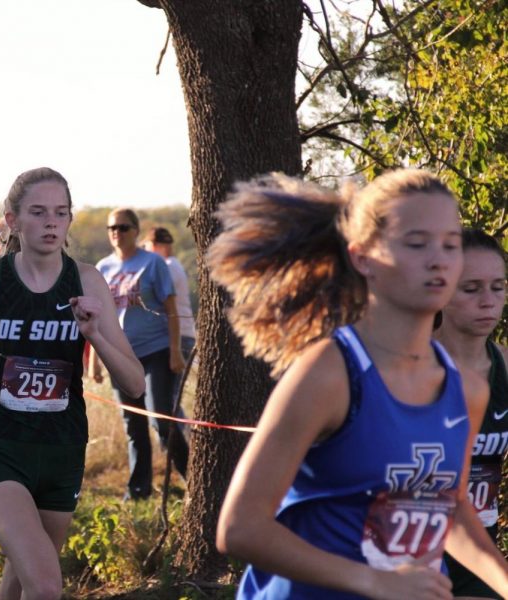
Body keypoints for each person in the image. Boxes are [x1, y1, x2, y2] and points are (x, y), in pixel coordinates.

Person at [210, 170, 508, 598]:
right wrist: (376, 582)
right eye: (416, 243)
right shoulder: (328, 373)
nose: (439, 259)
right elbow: (240, 529)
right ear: (363, 257)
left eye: (450, 244)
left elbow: (452, 508)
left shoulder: (468, 392)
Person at [0, 167, 145, 599]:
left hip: (62, 451)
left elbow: (133, 383)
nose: (51, 222)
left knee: (21, 580)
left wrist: (94, 334)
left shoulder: (88, 280)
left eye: (61, 213)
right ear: (12, 220)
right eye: (38, 212)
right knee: (44, 583)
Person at [93, 208, 188, 500]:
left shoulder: (153, 263)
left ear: (135, 230)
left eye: (123, 227)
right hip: (121, 356)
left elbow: (171, 309)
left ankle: (195, 482)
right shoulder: (103, 268)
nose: (116, 233)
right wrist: (95, 361)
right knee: (133, 424)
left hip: (157, 351)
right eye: (112, 228)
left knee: (160, 419)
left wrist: (175, 351)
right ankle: (138, 491)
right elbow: (97, 316)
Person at [435, 229, 508, 600]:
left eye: (497, 287)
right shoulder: (404, 368)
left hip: (477, 549)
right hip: (406, 552)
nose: (488, 301)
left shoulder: (502, 370)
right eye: (471, 288)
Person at [142, 226, 197, 396]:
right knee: (166, 399)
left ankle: (179, 425)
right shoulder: (173, 265)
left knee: (166, 400)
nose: (146, 252)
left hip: (177, 337)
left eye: (147, 247)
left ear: (158, 245)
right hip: (180, 335)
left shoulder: (167, 267)